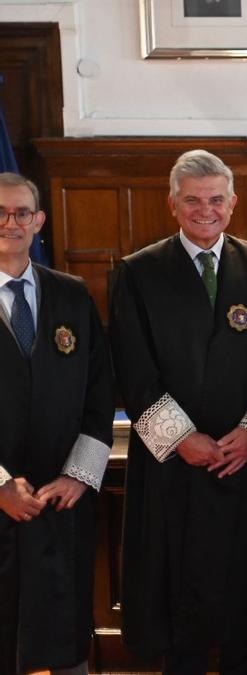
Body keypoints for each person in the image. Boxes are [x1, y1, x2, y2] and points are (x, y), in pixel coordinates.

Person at [110, 149, 247, 674]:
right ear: (173, 204)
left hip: (243, 462)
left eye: (216, 199)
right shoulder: (139, 272)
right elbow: (133, 372)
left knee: (242, 599)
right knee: (177, 601)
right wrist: (183, 439)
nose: (205, 210)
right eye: (193, 200)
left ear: (233, 203)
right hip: (172, 468)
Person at [0, 172, 113, 675]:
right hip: (0, 497)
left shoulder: (70, 295)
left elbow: (100, 392)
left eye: (22, 212)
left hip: (60, 497)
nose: (10, 223)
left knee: (65, 642)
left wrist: (79, 474)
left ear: (39, 220)